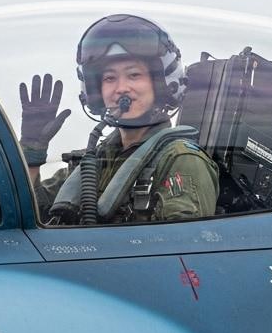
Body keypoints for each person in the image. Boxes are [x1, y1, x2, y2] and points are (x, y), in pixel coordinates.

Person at [19, 14, 218, 224]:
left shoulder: (181, 160)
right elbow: (28, 219)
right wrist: (31, 153)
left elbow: (184, 248)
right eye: (110, 78)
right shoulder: (91, 164)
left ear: (160, 85)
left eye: (134, 75)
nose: (121, 88)